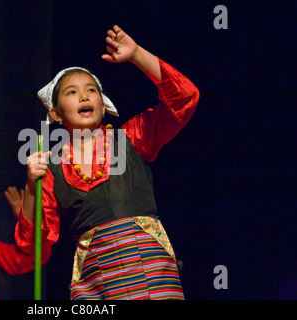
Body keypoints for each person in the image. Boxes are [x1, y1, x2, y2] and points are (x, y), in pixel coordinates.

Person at [15, 25, 199, 300]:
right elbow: (34, 245)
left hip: (149, 270)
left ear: (103, 106)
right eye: (72, 92)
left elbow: (184, 99)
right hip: (96, 282)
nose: (85, 96)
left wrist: (137, 54)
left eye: (91, 90)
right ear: (54, 113)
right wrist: (31, 187)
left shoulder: (133, 138)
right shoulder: (51, 168)